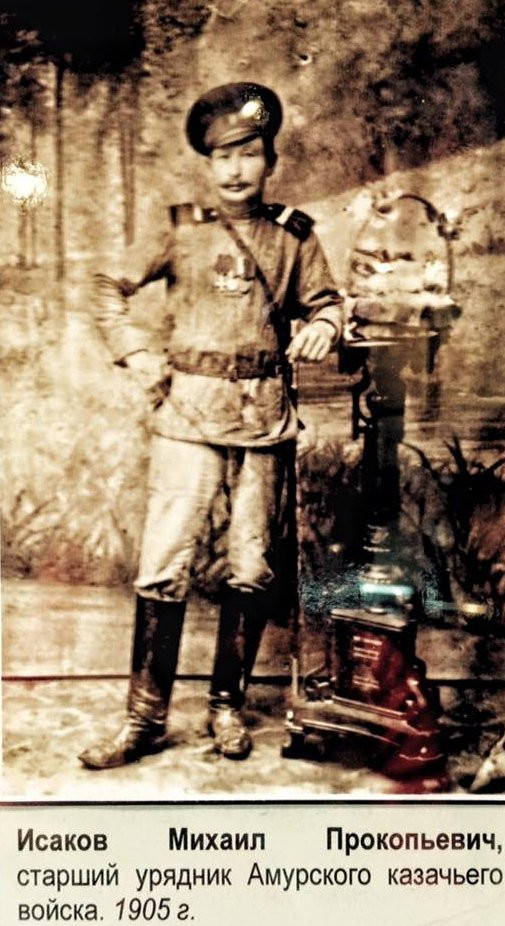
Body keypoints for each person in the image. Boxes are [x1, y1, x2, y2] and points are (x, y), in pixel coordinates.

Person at [79, 82, 345, 769]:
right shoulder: (180, 229)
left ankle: (226, 707)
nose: (235, 170)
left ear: (269, 160)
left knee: (251, 567)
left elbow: (326, 303)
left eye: (248, 154)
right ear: (206, 162)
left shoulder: (292, 236)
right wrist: (136, 354)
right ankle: (143, 720)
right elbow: (106, 287)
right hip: (188, 416)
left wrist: (323, 326)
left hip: (262, 421)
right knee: (163, 564)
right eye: (222, 156)